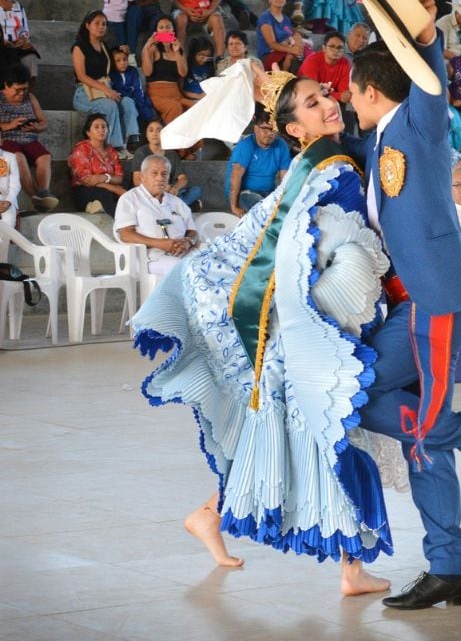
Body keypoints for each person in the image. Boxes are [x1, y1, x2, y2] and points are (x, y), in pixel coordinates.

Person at [132, 68, 394, 595]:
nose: (327, 106)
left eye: (325, 96)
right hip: (311, 323)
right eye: (313, 104)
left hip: (304, 321)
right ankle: (351, 568)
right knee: (326, 435)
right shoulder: (319, 169)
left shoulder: (315, 165)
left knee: (309, 437)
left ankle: (218, 516)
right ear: (295, 129)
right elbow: (297, 246)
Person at [113, 154, 198, 275]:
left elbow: (193, 231)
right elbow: (126, 235)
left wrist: (188, 242)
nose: (160, 178)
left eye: (164, 174)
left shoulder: (176, 202)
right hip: (150, 258)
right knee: (184, 269)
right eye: (154, 173)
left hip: (183, 253)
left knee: (212, 264)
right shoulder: (130, 199)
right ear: (142, 177)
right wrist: (160, 244)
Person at [71, 11, 142, 152]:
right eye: (96, 23)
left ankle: (131, 139)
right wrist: (106, 90)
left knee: (127, 101)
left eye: (103, 24)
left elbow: (117, 64)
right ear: (87, 25)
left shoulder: (105, 47)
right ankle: (114, 147)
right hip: (84, 94)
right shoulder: (79, 47)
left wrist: (122, 52)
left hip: (105, 90)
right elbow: (81, 75)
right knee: (109, 106)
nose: (101, 27)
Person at [0, 65, 55, 210]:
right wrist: (9, 125)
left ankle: (43, 193)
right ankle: (34, 197)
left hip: (30, 139)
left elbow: (44, 122)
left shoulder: (30, 98)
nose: (21, 93)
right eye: (17, 90)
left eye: (24, 89)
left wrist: (37, 127)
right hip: (7, 140)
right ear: (6, 85)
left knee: (45, 157)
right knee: (18, 157)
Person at [226, 107, 290, 215]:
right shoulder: (246, 145)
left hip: (269, 193)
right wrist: (234, 207)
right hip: (244, 193)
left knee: (282, 211)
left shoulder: (281, 145)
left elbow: (286, 178)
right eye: (264, 128)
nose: (269, 133)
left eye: (272, 129)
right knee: (264, 211)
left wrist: (286, 201)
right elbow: (235, 176)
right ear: (255, 128)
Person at [132, 118, 200, 208]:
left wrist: (175, 188)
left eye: (159, 130)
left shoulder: (171, 154)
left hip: (170, 192)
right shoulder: (141, 152)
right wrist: (161, 187)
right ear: (146, 134)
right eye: (151, 130)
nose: (154, 134)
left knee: (196, 190)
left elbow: (183, 178)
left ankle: (170, 207)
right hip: (151, 191)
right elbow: (137, 181)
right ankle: (181, 207)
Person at [68, 113, 126, 214]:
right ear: (88, 132)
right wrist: (116, 189)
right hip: (84, 191)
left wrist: (105, 177)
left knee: (129, 193)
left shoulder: (111, 151)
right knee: (106, 194)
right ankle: (121, 226)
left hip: (109, 188)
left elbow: (119, 178)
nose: (101, 129)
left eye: (104, 127)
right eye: (96, 127)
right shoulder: (81, 149)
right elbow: (87, 180)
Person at [142, 16, 195, 124]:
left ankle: (195, 141)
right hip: (156, 95)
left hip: (175, 94)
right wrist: (147, 47)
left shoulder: (178, 49)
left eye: (168, 27)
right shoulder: (153, 49)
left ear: (173, 30)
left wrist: (176, 51)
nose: (165, 30)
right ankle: (173, 138)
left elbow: (183, 73)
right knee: (175, 107)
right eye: (161, 27)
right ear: (156, 31)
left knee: (195, 106)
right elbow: (147, 72)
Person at [0, 0, 39, 82]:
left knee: (31, 56)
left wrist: (24, 40)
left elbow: (23, 29)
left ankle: (28, 94)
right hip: (2, 45)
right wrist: (4, 41)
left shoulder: (18, 6)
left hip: (18, 45)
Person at [257, 0, 303, 72]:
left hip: (286, 51)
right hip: (269, 55)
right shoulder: (265, 17)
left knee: (303, 54)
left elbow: (290, 38)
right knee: (295, 62)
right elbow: (272, 44)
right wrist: (291, 50)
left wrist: (296, 44)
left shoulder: (286, 19)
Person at [298, 30, 352, 105]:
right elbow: (312, 90)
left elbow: (344, 94)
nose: (336, 50)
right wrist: (338, 96)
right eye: (331, 46)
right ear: (324, 48)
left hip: (330, 99)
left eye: (340, 48)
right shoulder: (312, 61)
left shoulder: (345, 63)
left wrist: (340, 96)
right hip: (305, 98)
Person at [109, 46, 157, 125]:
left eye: (125, 59)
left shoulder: (132, 70)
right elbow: (116, 91)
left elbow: (139, 89)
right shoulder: (111, 74)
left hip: (137, 98)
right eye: (118, 61)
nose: (122, 63)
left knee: (146, 110)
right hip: (124, 101)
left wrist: (140, 102)